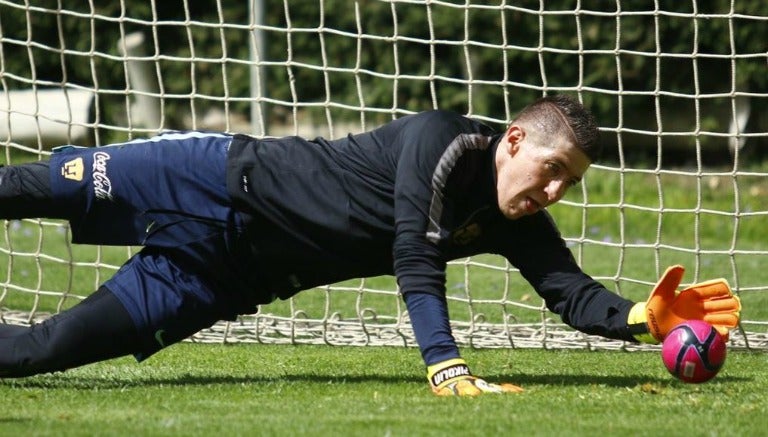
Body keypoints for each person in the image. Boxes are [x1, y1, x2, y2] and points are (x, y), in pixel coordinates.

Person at [0, 95, 741, 396]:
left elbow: (570, 293)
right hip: (204, 178)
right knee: (25, 188)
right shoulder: (442, 143)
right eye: (552, 170)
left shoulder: (517, 220)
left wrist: (644, 317)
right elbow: (413, 254)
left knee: (44, 350)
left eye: (568, 184)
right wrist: (445, 366)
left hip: (221, 276)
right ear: (515, 140)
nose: (554, 192)